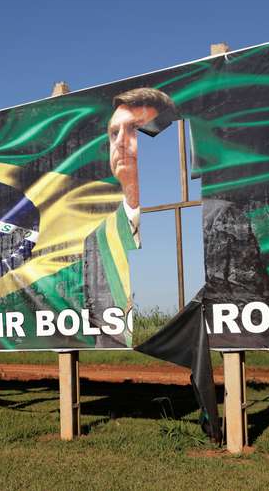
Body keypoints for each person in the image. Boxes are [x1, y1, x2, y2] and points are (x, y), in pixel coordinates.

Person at [83, 88, 177, 347]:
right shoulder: (97, 237)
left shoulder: (186, 221)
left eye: (135, 130)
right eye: (114, 133)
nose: (121, 141)